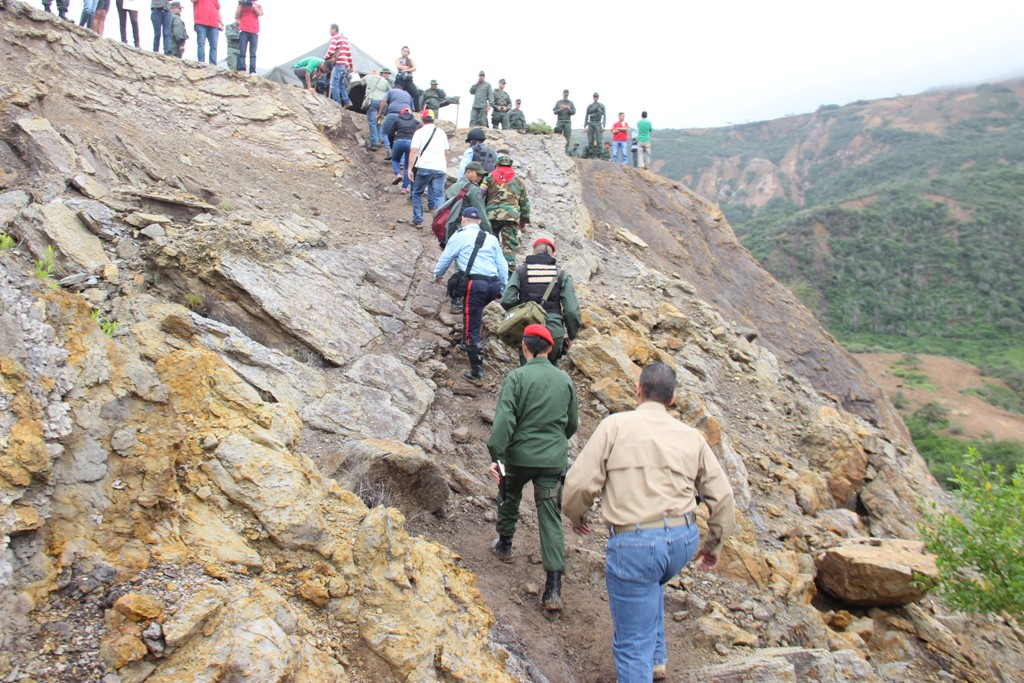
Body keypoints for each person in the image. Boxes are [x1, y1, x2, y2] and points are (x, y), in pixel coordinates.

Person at [563, 362, 737, 682]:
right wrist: (713, 545)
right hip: (683, 540)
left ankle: (645, 663)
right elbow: (723, 497)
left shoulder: (614, 426)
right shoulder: (692, 438)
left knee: (631, 645)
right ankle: (657, 660)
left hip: (636, 544)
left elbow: (577, 486)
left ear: (639, 391)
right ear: (671, 400)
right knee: (652, 583)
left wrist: (577, 516)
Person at [488, 323, 578, 610]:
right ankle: (553, 588)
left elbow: (504, 420)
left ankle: (504, 543)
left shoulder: (516, 377)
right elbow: (572, 424)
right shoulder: (564, 381)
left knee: (509, 492)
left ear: (524, 346)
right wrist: (553, 443)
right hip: (552, 461)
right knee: (550, 515)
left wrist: (497, 455)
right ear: (550, 349)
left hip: (518, 457)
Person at [432, 207, 508, 380]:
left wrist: (437, 275)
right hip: (493, 284)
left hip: (475, 284)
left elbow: (446, 258)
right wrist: (502, 288)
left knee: (471, 326)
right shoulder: (491, 238)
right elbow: (502, 266)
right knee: (473, 314)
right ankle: (466, 345)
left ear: (463, 220)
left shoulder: (459, 235)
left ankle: (476, 370)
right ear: (479, 222)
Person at [501, 236, 581, 366]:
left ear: (533, 252)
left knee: (527, 370)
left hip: (528, 329)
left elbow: (507, 300)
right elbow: (571, 311)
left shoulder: (520, 272)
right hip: (553, 332)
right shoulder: (561, 275)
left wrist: (523, 312)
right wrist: (571, 336)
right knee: (551, 369)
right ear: (553, 254)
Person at [482, 154, 530, 271]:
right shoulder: (518, 181)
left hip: (491, 216)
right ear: (511, 165)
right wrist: (523, 221)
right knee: (509, 246)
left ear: (497, 165)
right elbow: (524, 203)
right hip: (510, 217)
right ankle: (508, 271)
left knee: (490, 244)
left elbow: (481, 193)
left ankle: (490, 269)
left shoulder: (489, 178)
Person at [406, 112, 449, 229]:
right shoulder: (442, 133)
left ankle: (418, 220)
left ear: (422, 119)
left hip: (424, 166)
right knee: (439, 196)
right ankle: (440, 224)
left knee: (417, 192)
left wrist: (410, 168)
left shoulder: (419, 132)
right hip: (440, 168)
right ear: (434, 119)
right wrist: (444, 168)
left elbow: (414, 151)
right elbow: (446, 153)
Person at [376, 84, 414, 160]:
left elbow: (384, 101)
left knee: (385, 133)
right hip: (405, 116)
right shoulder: (408, 95)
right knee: (400, 136)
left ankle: (389, 151)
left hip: (392, 113)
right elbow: (412, 109)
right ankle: (401, 159)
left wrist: (380, 114)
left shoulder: (390, 91)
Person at [389, 108, 420, 193]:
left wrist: (391, 144)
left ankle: (398, 174)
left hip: (398, 141)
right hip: (411, 143)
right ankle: (404, 188)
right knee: (408, 167)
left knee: (395, 160)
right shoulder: (415, 122)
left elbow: (390, 133)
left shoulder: (397, 120)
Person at [363, 68, 393, 151]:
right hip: (383, 103)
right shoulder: (385, 81)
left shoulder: (369, 77)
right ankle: (379, 139)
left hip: (373, 101)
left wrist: (367, 75)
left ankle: (374, 143)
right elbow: (391, 91)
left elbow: (359, 82)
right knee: (379, 121)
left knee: (372, 122)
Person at [324, 24, 353, 108]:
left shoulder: (335, 38)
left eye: (330, 29)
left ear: (334, 29)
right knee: (341, 84)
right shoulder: (345, 40)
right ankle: (347, 101)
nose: (329, 31)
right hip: (345, 65)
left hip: (338, 64)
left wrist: (325, 57)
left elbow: (331, 50)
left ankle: (337, 104)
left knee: (333, 84)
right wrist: (351, 66)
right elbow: (349, 55)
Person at [234, 0, 261, 74]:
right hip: (244, 30)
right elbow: (236, 16)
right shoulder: (242, 6)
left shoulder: (257, 5)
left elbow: (260, 13)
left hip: (254, 31)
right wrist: (240, 4)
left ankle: (252, 71)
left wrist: (252, 5)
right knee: (242, 51)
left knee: (253, 53)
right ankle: (242, 69)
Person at [192, 0, 221, 65]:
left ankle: (213, 64)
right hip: (201, 23)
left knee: (214, 46)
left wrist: (221, 23)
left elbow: (217, 10)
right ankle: (201, 62)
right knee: (201, 44)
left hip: (214, 24)